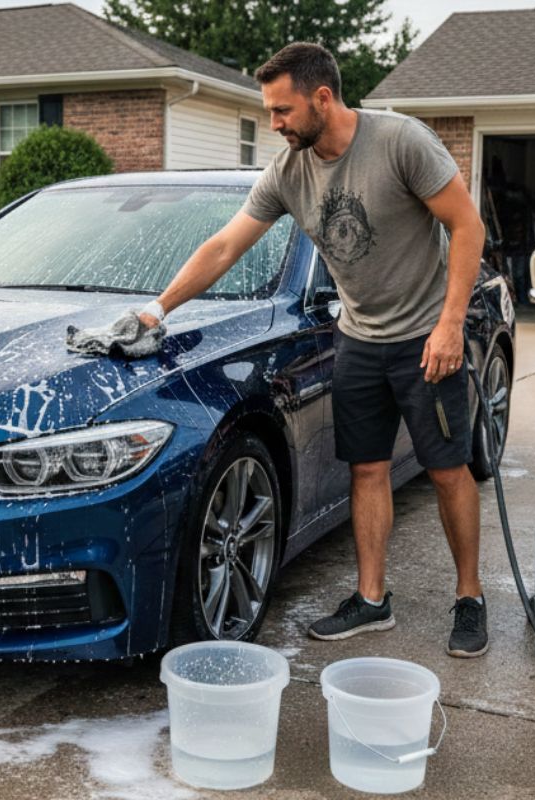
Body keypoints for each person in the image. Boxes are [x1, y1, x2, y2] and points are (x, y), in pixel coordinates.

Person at [137, 42, 489, 658]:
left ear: (322, 98)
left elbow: (466, 225)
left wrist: (451, 324)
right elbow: (224, 247)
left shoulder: (401, 142)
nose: (274, 123)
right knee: (367, 468)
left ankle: (469, 596)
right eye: (269, 112)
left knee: (445, 468)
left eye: (281, 110)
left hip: (425, 338)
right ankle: (372, 599)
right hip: (358, 337)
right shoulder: (287, 171)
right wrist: (157, 308)